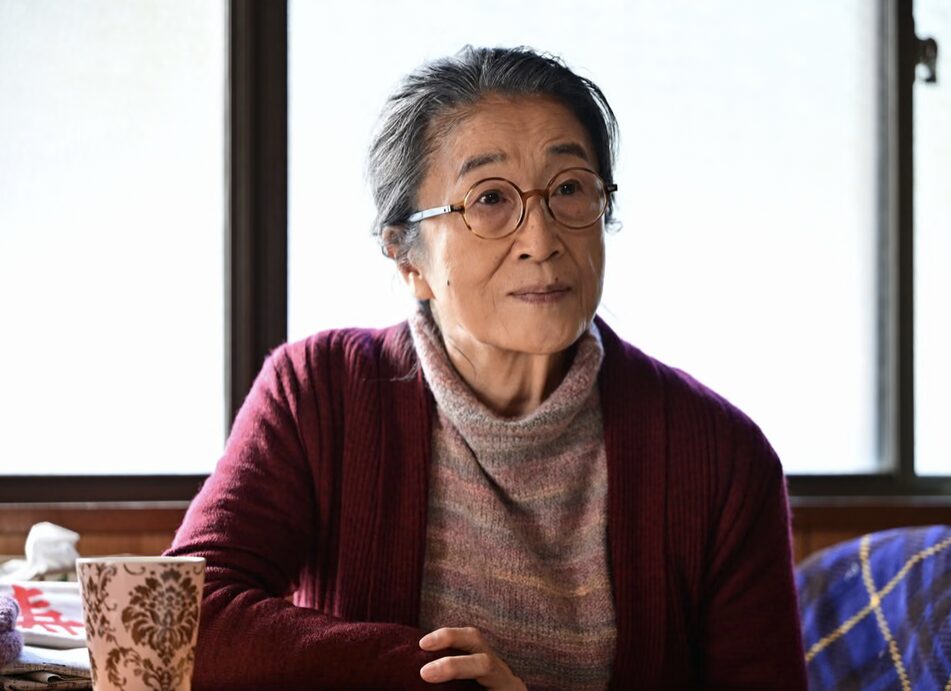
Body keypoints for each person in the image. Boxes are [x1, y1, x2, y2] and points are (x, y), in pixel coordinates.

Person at [167, 46, 807, 690]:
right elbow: (180, 619)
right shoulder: (318, 393)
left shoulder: (721, 457)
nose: (542, 240)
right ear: (408, 260)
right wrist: (435, 677)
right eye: (490, 198)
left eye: (569, 189)